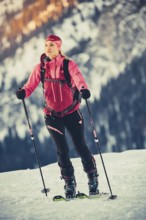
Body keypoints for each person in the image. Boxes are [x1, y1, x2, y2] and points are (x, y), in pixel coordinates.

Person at [16, 34, 99, 199]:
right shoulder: (40, 67)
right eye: (46, 45)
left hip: (72, 112)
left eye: (51, 45)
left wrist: (83, 89)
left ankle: (92, 177)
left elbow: (78, 78)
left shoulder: (68, 64)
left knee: (80, 146)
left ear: (59, 47)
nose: (48, 47)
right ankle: (69, 183)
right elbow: (31, 84)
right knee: (62, 150)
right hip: (52, 115)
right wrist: (23, 92)